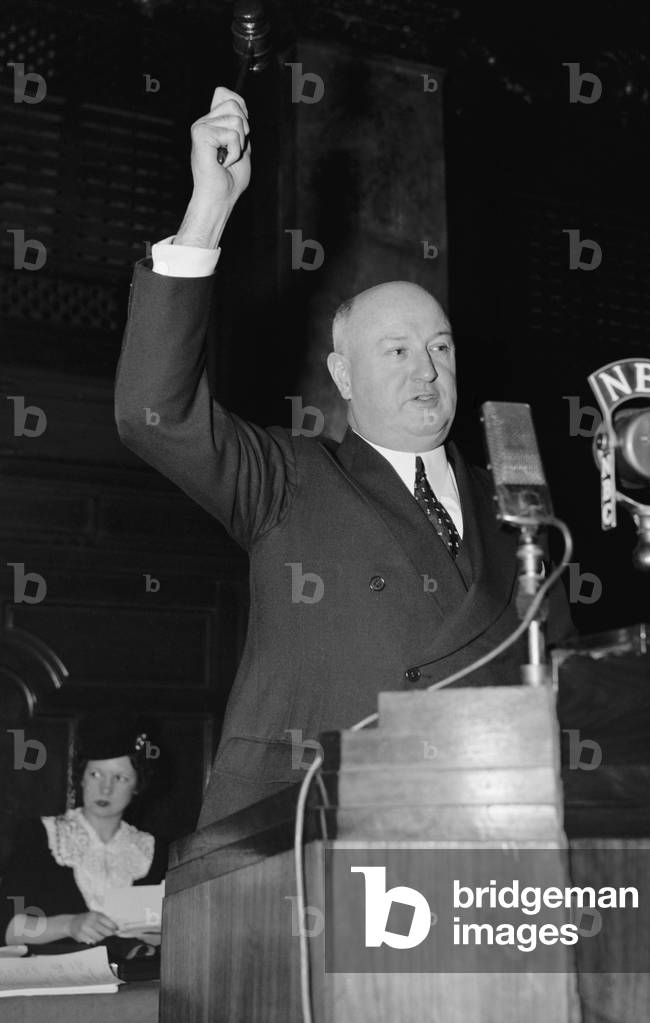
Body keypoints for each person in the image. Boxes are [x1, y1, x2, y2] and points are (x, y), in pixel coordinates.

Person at [115, 87, 574, 829]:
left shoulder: (517, 510)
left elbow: (566, 686)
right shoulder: (287, 479)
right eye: (396, 350)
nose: (425, 371)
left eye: (440, 348)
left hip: (482, 843)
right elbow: (152, 414)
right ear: (342, 375)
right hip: (299, 841)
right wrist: (209, 209)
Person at [0, 715, 167, 948]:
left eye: (120, 777)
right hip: (52, 978)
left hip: (132, 980)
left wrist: (158, 936)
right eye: (95, 774)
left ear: (137, 785)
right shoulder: (42, 836)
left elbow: (173, 931)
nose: (105, 788)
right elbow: (6, 926)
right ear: (81, 779)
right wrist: (70, 924)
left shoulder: (152, 851)